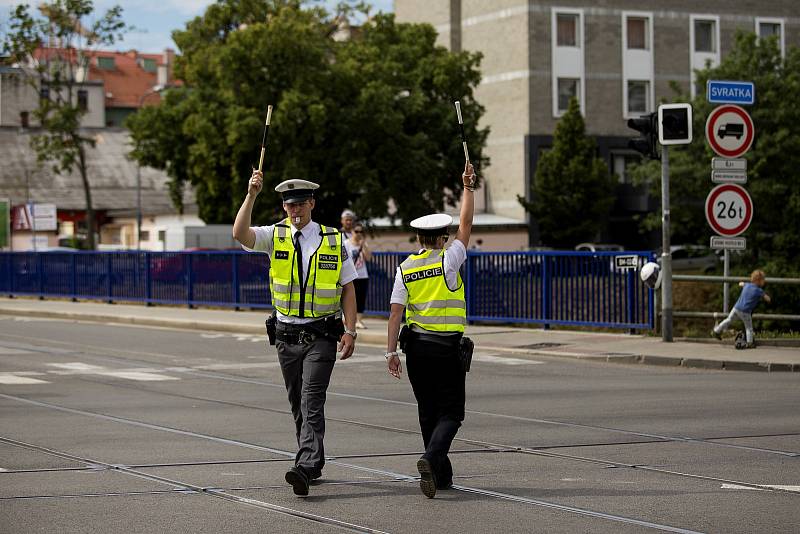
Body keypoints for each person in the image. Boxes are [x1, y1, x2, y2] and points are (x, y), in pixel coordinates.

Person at [232, 170, 358, 497]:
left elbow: (348, 287)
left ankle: (303, 465)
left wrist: (351, 330)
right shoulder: (274, 235)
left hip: (321, 335)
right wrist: (252, 195)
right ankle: (314, 460)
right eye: (290, 206)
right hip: (286, 336)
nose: (295, 210)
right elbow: (239, 233)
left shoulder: (333, 239)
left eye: (301, 204)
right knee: (297, 405)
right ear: (284, 208)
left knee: (312, 400)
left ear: (312, 203)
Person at [385, 162, 476, 498]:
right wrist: (467, 187)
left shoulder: (406, 267)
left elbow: (395, 313)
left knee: (427, 411)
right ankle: (431, 458)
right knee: (452, 412)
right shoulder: (446, 260)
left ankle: (439, 474)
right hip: (446, 349)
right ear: (441, 238)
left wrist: (390, 351)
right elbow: (466, 223)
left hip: (416, 351)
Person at [711, 269, 771, 348]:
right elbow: (767, 298)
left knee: (728, 320)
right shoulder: (759, 291)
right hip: (745, 312)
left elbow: (740, 283)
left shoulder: (747, 285)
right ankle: (750, 343)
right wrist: (768, 298)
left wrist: (742, 284)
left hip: (736, 308)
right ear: (758, 281)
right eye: (763, 280)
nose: (764, 282)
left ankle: (716, 331)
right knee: (749, 328)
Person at [344, 221, 371, 329]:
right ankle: (347, 319)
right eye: (356, 231)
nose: (359, 233)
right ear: (352, 231)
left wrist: (363, 245)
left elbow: (368, 258)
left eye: (361, 231)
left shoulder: (364, 244)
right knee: (348, 297)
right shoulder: (346, 243)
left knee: (361, 298)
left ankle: (358, 320)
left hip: (362, 275)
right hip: (350, 275)